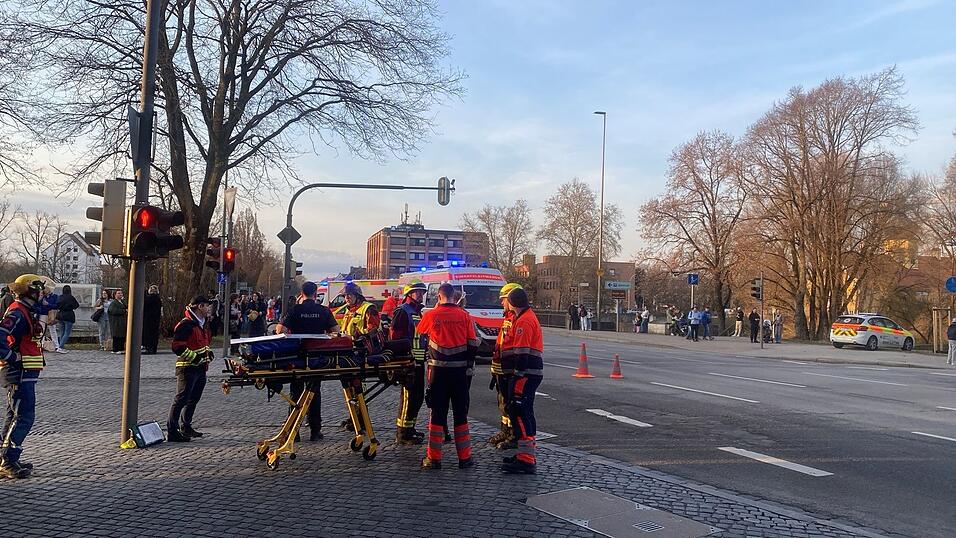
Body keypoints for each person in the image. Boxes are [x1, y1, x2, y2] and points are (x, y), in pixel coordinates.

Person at [418, 283, 478, 470]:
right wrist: (468, 365)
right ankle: (465, 458)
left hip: (438, 372)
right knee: (460, 413)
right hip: (460, 373)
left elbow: (420, 333)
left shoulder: (432, 315)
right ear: (454, 296)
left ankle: (434, 458)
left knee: (437, 413)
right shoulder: (464, 316)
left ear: (439, 296)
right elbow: (473, 343)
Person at [0, 274, 50, 479]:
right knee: (24, 416)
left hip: (24, 372)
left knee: (14, 416)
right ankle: (8, 460)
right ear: (31, 292)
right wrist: (12, 357)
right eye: (40, 291)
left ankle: (6, 457)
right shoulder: (18, 312)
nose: (42, 295)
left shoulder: (25, 311)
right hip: (18, 372)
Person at [275, 281, 339, 442]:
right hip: (316, 358)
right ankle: (315, 430)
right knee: (314, 393)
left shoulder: (295, 310)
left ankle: (293, 431)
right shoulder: (323, 311)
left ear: (301, 294)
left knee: (295, 393)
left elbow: (280, 330)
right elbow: (336, 331)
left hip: (298, 357)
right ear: (316, 294)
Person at [499, 286, 544, 475]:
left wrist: (517, 374)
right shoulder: (523, 317)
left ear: (513, 302)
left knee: (519, 411)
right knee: (524, 412)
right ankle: (525, 454)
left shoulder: (524, 321)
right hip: (528, 373)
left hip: (525, 374)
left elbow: (522, 351)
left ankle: (526, 459)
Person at [166, 296, 214, 442]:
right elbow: (177, 347)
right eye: (207, 306)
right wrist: (195, 358)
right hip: (187, 368)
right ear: (200, 306)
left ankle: (186, 426)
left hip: (200, 369)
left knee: (193, 399)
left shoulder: (202, 324)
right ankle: (172, 431)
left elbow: (202, 343)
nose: (209, 309)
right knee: (181, 399)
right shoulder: (186, 324)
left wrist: (208, 353)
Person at [390, 280, 428, 445]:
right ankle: (403, 433)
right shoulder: (403, 311)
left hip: (418, 361)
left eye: (422, 292)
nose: (420, 295)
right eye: (417, 292)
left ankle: (410, 428)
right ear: (408, 294)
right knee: (408, 397)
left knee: (417, 397)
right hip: (408, 362)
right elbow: (396, 337)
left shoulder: (417, 312)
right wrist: (402, 359)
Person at [490, 283, 523, 450]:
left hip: (509, 369)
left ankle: (512, 434)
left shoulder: (517, 319)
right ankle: (505, 430)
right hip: (501, 368)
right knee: (503, 402)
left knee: (510, 404)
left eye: (503, 299)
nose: (501, 303)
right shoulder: (508, 318)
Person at [56, 285, 79, 352]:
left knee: (62, 332)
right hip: (69, 315)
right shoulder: (71, 297)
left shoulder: (60, 297)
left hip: (60, 315)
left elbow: (57, 305)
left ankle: (61, 346)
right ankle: (60, 347)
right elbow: (76, 305)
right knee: (67, 333)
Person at [37, 288, 60, 353]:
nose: (45, 290)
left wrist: (48, 304)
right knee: (42, 330)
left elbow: (56, 306)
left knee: (52, 329)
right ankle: (42, 344)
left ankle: (56, 345)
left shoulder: (55, 296)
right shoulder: (42, 296)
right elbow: (38, 304)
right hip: (43, 314)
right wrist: (40, 298)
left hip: (51, 314)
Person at [142, 285, 163, 355]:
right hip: (156, 319)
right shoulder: (159, 299)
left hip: (148, 319)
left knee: (148, 334)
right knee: (154, 334)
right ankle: (154, 348)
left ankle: (148, 348)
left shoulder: (147, 299)